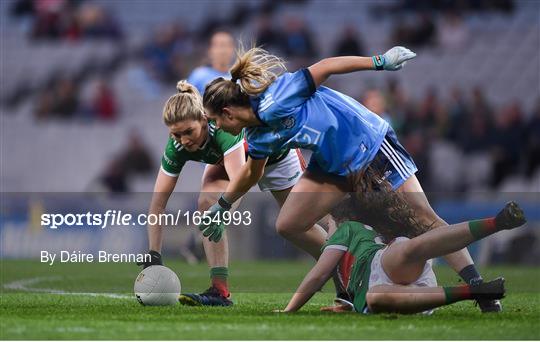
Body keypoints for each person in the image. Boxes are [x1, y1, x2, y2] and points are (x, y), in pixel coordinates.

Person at [198, 45, 501, 312]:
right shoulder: (256, 135)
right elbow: (252, 171)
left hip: (370, 145)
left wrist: (380, 61)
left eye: (215, 122)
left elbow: (326, 67)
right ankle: (350, 283)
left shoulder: (278, 96)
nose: (217, 128)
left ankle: (479, 286)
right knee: (289, 224)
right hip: (331, 165)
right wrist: (222, 206)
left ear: (227, 112)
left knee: (424, 219)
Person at [138, 80, 317, 306]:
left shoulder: (223, 132)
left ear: (204, 119)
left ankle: (345, 260)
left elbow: (242, 180)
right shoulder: (178, 147)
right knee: (206, 203)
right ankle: (219, 291)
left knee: (301, 224)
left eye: (188, 131)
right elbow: (158, 204)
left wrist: (222, 211)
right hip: (232, 164)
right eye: (176, 135)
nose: (183, 140)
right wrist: (154, 254)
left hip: (276, 158)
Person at [280, 201, 526, 314]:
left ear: (338, 219)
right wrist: (345, 305)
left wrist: (289, 309)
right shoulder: (355, 241)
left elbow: (319, 274)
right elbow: (349, 290)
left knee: (407, 251)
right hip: (413, 292)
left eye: (328, 222)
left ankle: (497, 222)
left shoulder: (346, 231)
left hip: (378, 265)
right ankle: (475, 291)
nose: (327, 229)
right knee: (376, 297)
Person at [188, 30, 235, 95]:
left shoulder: (239, 79)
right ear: (210, 50)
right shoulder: (198, 76)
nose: (222, 51)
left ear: (232, 49)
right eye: (218, 45)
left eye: (226, 45)